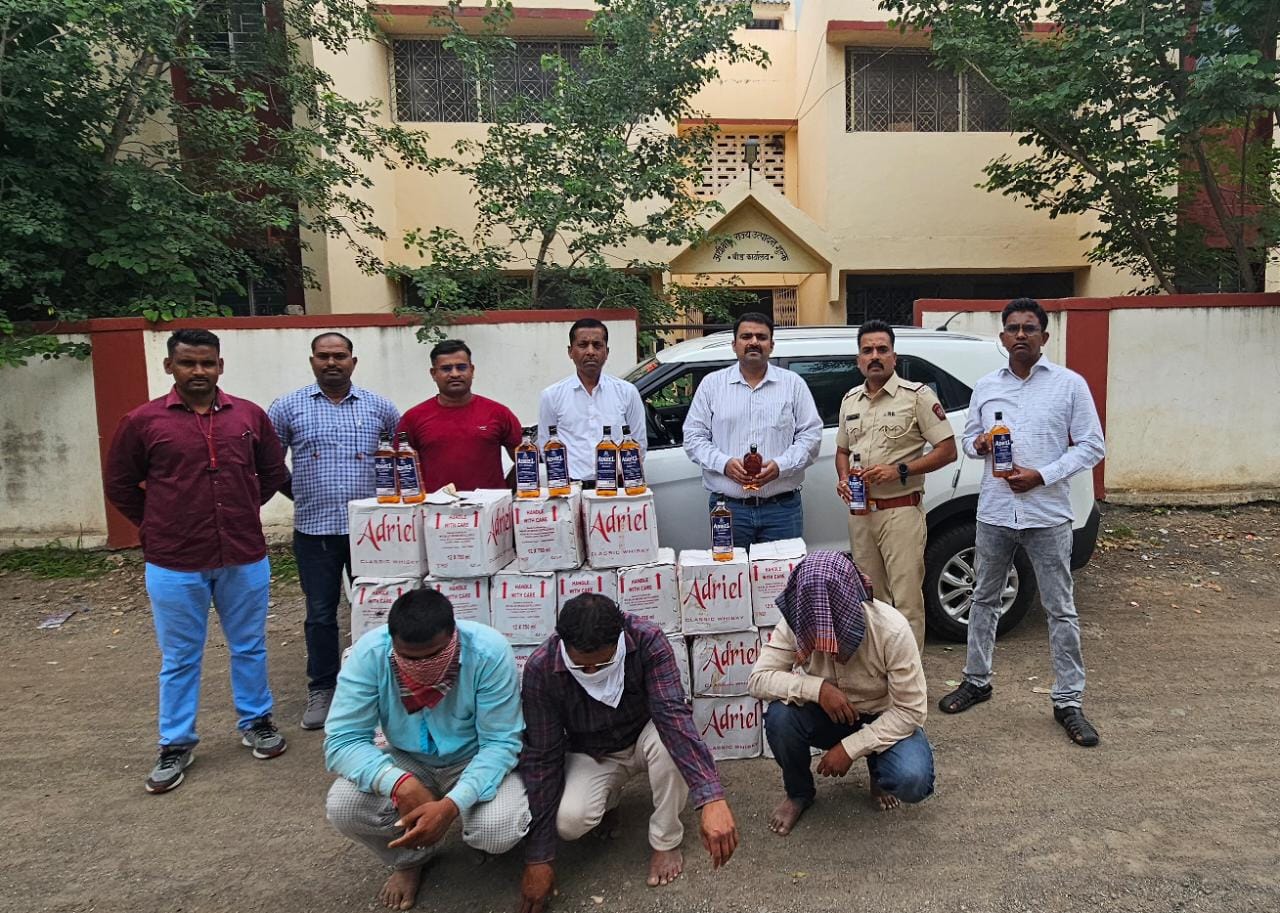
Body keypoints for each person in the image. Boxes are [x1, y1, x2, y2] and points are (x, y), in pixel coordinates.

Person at [105, 328, 291, 795]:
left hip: (243, 554)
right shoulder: (143, 421)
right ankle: (176, 742)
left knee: (248, 645)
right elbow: (120, 485)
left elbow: (272, 473)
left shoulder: (247, 416)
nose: (199, 371)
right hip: (174, 560)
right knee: (180, 656)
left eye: (207, 363)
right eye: (188, 363)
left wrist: (246, 507)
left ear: (220, 366)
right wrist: (156, 524)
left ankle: (257, 721)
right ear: (170, 367)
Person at [938, 298, 1105, 748]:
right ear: (1002, 337)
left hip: (1047, 514)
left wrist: (1042, 475)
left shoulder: (1070, 385)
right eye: (1012, 328)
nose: (1020, 335)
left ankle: (1068, 700)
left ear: (1044, 337)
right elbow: (970, 444)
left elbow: (1092, 446)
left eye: (1029, 328)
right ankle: (977, 680)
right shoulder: (987, 385)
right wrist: (981, 442)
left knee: (1060, 608)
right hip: (994, 512)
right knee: (983, 598)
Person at [517, 594, 738, 912]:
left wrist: (712, 798)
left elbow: (673, 718)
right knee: (569, 821)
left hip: (647, 733)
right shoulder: (541, 668)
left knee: (670, 745)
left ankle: (666, 840)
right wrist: (539, 858)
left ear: (620, 638)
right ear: (562, 644)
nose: (592, 672)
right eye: (582, 666)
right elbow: (542, 757)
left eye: (603, 663)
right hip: (592, 752)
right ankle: (610, 802)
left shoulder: (646, 640)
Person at [325, 588, 530, 911]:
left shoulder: (488, 651)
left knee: (497, 831)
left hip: (472, 758)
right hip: (409, 760)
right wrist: (396, 782)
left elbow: (501, 744)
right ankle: (411, 859)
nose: (421, 667)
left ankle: (447, 818)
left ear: (453, 637)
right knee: (344, 806)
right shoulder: (369, 654)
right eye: (408, 658)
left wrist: (451, 805)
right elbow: (342, 740)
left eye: (433, 655)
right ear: (392, 643)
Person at [749, 551, 935, 836]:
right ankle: (799, 793)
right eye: (814, 619)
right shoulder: (796, 620)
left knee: (912, 779)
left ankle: (879, 771)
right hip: (828, 717)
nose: (822, 629)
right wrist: (817, 689)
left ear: (851, 601)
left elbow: (911, 711)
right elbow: (758, 680)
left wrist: (850, 748)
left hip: (881, 717)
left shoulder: (892, 630)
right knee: (780, 718)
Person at [268, 332, 400, 730]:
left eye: (339, 356)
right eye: (323, 356)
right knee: (321, 613)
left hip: (372, 532)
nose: (331, 363)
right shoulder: (287, 407)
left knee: (378, 608)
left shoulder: (380, 407)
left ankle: (384, 684)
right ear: (312, 362)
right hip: (315, 529)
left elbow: (402, 460)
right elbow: (271, 464)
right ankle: (323, 688)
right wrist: (301, 494)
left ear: (353, 362)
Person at [835, 319, 957, 649]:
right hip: (861, 514)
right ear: (858, 359)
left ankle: (908, 684)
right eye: (867, 350)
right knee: (871, 599)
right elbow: (842, 451)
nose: (875, 356)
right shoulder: (850, 400)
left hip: (901, 512)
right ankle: (880, 674)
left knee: (906, 602)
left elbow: (948, 450)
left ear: (894, 356)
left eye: (881, 350)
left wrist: (899, 470)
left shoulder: (916, 396)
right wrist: (844, 479)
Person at [683, 312, 822, 546]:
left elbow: (811, 436)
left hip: (781, 510)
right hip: (727, 510)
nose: (754, 342)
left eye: (761, 337)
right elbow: (694, 437)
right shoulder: (712, 385)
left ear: (772, 345)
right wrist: (723, 464)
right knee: (731, 579)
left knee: (782, 580)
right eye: (746, 336)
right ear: (734, 344)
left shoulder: (793, 384)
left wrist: (781, 466)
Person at [397, 339, 524, 492]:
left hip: (489, 510)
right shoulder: (413, 418)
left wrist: (505, 492)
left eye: (461, 367)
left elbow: (526, 461)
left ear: (472, 370)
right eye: (446, 368)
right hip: (435, 512)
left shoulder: (499, 413)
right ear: (433, 373)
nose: (455, 374)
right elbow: (400, 472)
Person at [538, 318, 646, 484]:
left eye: (597, 345)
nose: (590, 351)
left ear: (606, 352)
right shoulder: (552, 395)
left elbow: (638, 444)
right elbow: (547, 447)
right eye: (583, 345)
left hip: (616, 488)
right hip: (571, 488)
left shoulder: (627, 392)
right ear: (570, 351)